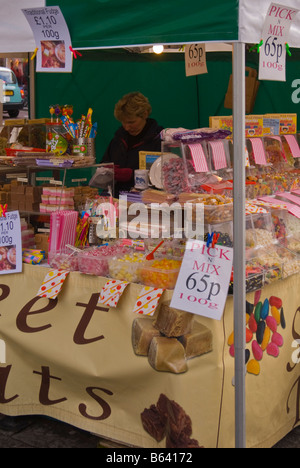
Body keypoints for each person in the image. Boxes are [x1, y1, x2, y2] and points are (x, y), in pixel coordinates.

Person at [102, 92, 163, 195]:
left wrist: (131, 175)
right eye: (123, 122)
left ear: (145, 114)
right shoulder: (118, 139)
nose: (126, 127)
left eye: (131, 122)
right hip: (116, 200)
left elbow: (163, 177)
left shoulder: (160, 139)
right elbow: (103, 164)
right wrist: (106, 171)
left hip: (145, 203)